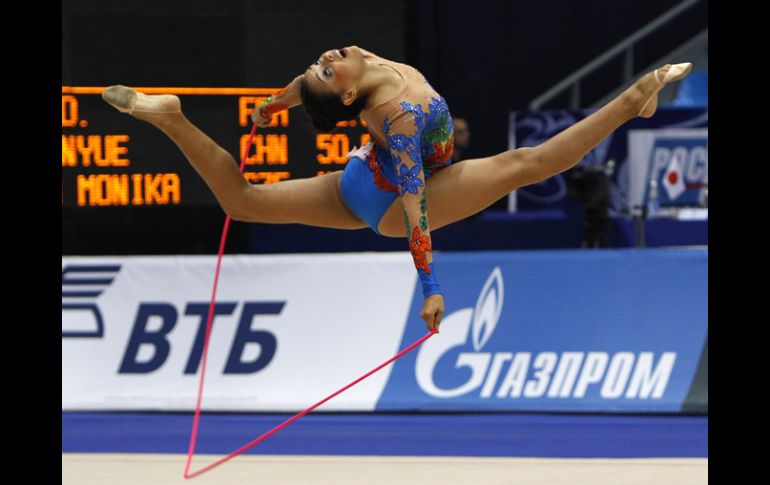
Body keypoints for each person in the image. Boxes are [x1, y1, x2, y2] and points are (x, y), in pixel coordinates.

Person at [101, 45, 691, 334]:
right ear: (351, 98)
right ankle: (630, 101)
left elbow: (311, 85)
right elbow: (416, 207)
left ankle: (173, 117)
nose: (329, 57)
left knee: (243, 201)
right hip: (389, 200)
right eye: (329, 73)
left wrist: (275, 104)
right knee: (526, 163)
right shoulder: (398, 116)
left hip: (357, 177)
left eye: (323, 64)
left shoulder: (356, 62)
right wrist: (431, 286)